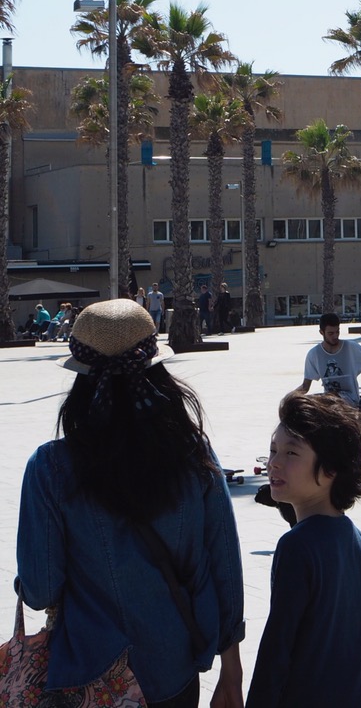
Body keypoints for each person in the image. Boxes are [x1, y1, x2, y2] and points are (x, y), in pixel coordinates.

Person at [15, 298, 244, 707]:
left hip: (91, 677)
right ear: (157, 372)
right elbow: (224, 564)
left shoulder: (50, 467)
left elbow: (40, 590)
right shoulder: (194, 454)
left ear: (81, 378)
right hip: (174, 669)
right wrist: (232, 671)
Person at [246, 392, 361, 708]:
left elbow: (277, 649)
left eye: (292, 452)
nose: (275, 462)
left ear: (331, 469)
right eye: (273, 450)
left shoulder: (297, 547)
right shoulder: (358, 540)